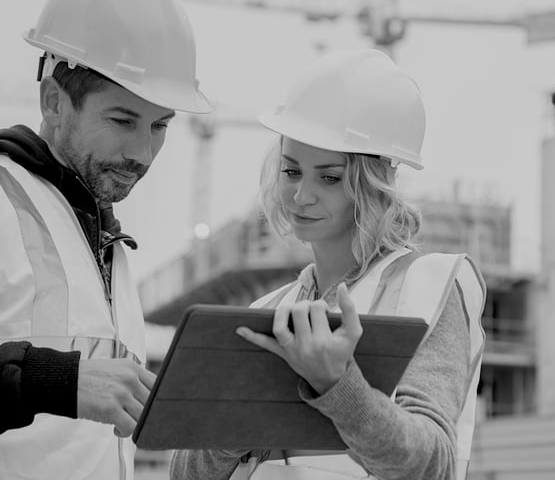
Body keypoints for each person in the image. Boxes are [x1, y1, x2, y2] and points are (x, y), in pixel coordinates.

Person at [0, 0, 211, 478]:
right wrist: (56, 381)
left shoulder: (104, 241)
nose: (143, 153)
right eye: (122, 121)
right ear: (54, 101)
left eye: (160, 127)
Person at [170, 49, 486, 480]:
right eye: (291, 170)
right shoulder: (265, 311)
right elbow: (185, 474)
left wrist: (340, 386)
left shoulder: (428, 286)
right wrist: (242, 414)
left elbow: (430, 465)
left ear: (373, 184)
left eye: (329, 177)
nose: (301, 196)